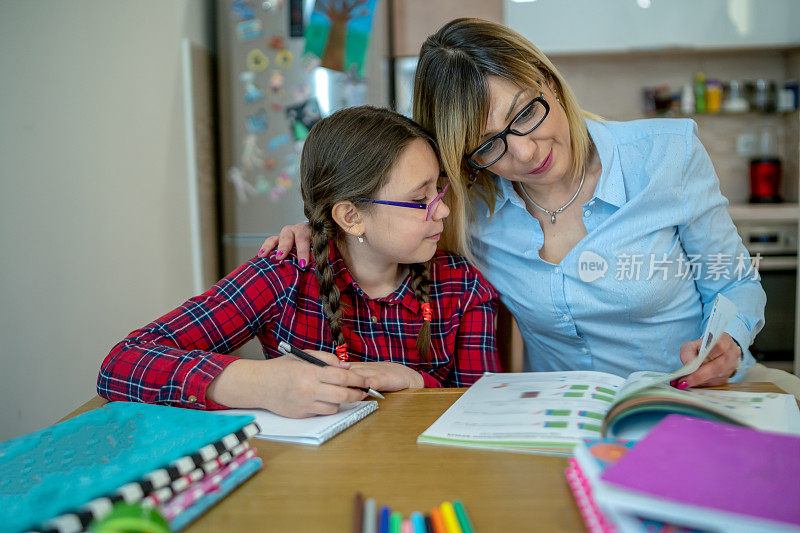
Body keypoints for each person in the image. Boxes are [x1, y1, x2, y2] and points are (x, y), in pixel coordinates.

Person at [260, 19, 800, 398]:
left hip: (695, 400)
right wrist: (330, 232)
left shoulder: (666, 154)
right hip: (564, 423)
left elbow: (734, 280)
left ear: (545, 76)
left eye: (525, 114)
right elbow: (393, 218)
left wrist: (726, 340)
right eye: (487, 144)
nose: (524, 152)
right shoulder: (469, 205)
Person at [98, 106, 500, 418]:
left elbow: (486, 414)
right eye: (419, 200)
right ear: (351, 217)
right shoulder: (285, 274)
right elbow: (123, 363)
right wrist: (261, 383)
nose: (443, 210)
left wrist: (416, 381)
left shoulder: (462, 288)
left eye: (438, 189)